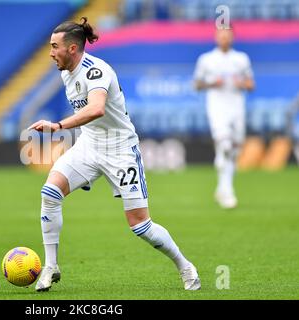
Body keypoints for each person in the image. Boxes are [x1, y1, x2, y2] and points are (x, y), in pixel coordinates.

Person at [28, 17, 201, 291]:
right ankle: (51, 266)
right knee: (50, 193)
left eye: (54, 47)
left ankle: (184, 265)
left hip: (120, 150)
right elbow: (91, 118)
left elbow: (96, 109)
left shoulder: (97, 71)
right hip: (89, 145)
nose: (50, 53)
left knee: (140, 226)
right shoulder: (65, 73)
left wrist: (58, 126)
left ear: (72, 49)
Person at [194, 27, 255, 209]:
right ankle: (228, 193)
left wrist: (242, 83)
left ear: (232, 37)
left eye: (228, 35)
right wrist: (212, 83)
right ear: (216, 37)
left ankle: (222, 187)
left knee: (234, 150)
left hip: (236, 108)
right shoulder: (206, 60)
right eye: (221, 35)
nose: (224, 38)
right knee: (225, 145)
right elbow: (197, 84)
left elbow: (251, 84)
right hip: (217, 108)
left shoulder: (241, 59)